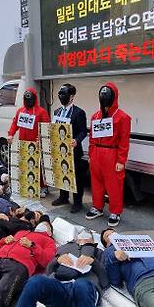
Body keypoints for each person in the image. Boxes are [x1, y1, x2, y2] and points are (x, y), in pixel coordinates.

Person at [86, 82, 131, 228]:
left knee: (114, 185)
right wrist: (91, 154)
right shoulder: (95, 116)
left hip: (112, 153)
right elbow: (92, 138)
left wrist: (121, 160)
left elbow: (124, 141)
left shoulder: (122, 117)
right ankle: (97, 207)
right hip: (97, 153)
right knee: (96, 182)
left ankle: (115, 211)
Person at [7, 87, 50, 197]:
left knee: (40, 167)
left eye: (30, 99)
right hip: (23, 144)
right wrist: (11, 134)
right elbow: (15, 124)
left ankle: (43, 187)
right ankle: (29, 184)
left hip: (37, 144)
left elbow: (47, 128)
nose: (28, 102)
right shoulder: (20, 111)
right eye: (27, 99)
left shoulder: (42, 112)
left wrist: (41, 139)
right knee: (26, 165)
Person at [52, 83, 88, 213]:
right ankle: (63, 197)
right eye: (60, 94)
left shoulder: (79, 113)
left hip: (73, 150)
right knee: (62, 173)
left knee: (76, 177)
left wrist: (76, 140)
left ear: (72, 96)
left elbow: (83, 131)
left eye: (64, 94)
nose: (62, 97)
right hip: (60, 150)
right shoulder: (57, 112)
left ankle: (77, 202)